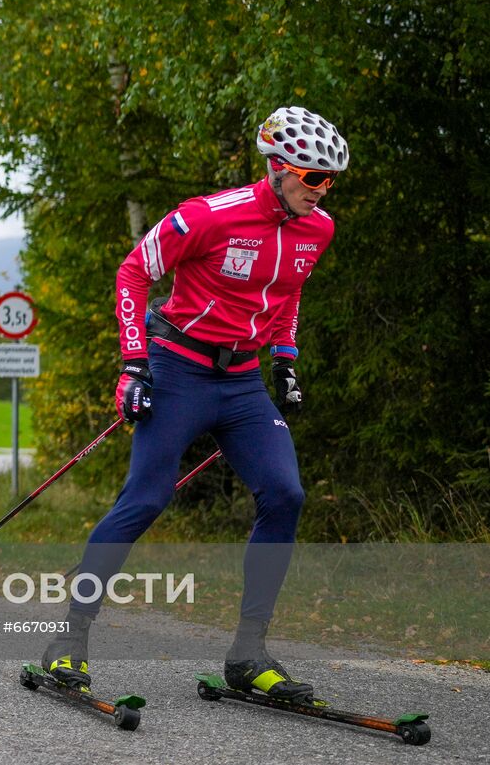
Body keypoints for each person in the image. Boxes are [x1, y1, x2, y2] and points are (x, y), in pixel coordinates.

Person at [40, 106, 348, 701]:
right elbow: (134, 273)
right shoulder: (207, 216)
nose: (321, 190)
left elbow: (287, 294)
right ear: (278, 168)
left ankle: (249, 654)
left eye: (329, 180)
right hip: (178, 369)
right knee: (146, 499)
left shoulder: (318, 229)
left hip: (242, 381)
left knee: (285, 494)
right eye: (313, 177)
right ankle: (69, 640)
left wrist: (285, 359)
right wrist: (134, 365)